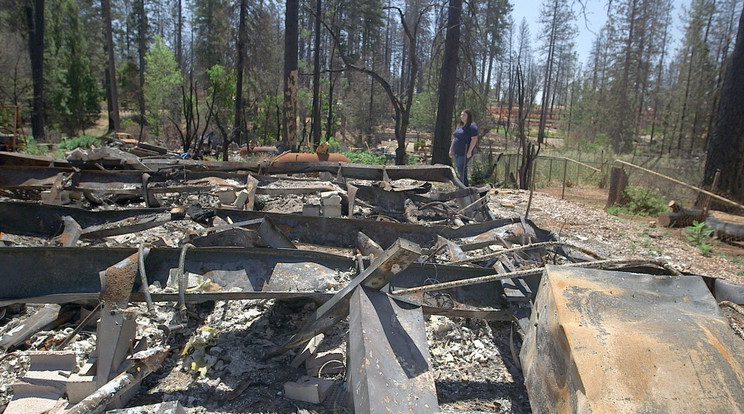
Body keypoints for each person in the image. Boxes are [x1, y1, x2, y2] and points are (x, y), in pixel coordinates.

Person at [448, 109, 478, 186]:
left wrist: (469, 151)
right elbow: (454, 139)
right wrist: (451, 150)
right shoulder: (460, 126)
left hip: (464, 152)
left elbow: (474, 139)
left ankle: (464, 185)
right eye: (461, 115)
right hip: (456, 152)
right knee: (459, 168)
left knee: (461, 168)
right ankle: (462, 185)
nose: (462, 117)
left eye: (464, 115)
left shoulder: (472, 126)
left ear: (468, 116)